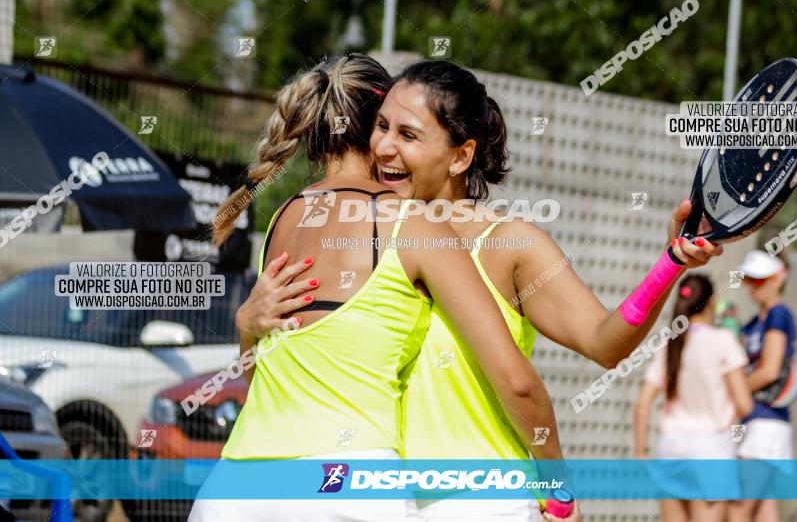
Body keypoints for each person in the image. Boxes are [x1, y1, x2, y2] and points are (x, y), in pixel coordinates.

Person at [238, 59, 723, 521]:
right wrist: (247, 325)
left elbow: (604, 342)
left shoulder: (510, 243)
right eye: (381, 127)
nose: (384, 147)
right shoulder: (366, 242)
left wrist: (671, 261)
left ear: (461, 155)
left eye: (408, 134)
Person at [188, 54, 565, 522]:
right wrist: (558, 491)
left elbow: (260, 375)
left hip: (232, 486)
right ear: (373, 129)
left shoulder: (282, 220)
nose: (393, 146)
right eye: (392, 128)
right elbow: (517, 381)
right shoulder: (414, 224)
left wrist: (244, 328)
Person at [633, 274, 753, 522]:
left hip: (672, 447)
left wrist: (641, 451)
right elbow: (744, 404)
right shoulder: (723, 340)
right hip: (712, 449)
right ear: (711, 302)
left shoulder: (670, 344)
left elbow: (643, 404)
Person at [728, 251, 797, 522]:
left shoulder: (779, 314)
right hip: (755, 422)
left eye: (759, 280)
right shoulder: (754, 323)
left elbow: (769, 371)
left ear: (779, 278)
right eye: (749, 280)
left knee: (738, 510)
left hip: (765, 423)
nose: (752, 288)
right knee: (763, 512)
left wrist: (734, 390)